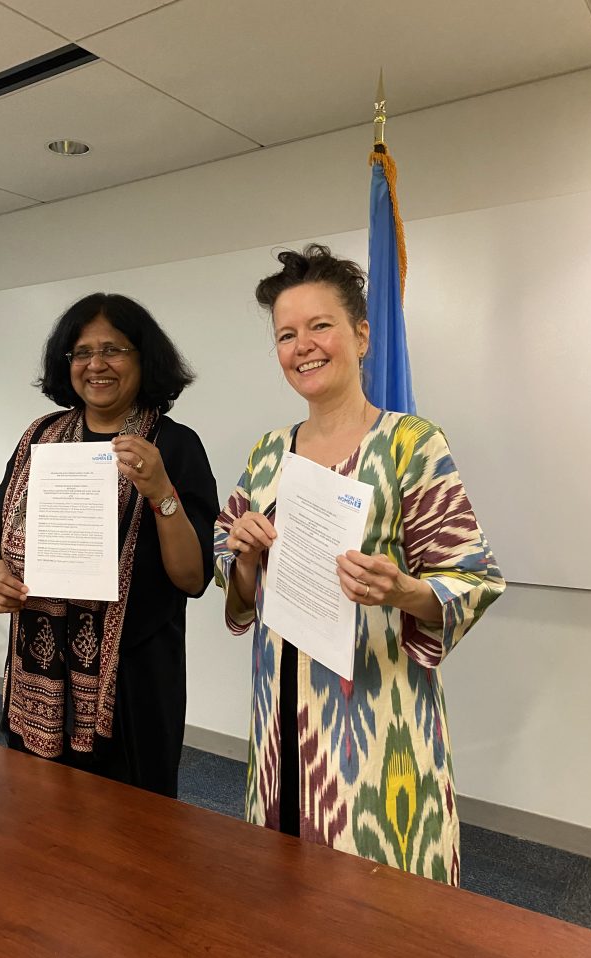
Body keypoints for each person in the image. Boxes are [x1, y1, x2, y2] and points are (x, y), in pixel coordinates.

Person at [214, 245, 505, 883]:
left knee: (378, 909)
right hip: (281, 709)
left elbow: (472, 578)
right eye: (286, 335)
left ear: (362, 334)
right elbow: (232, 580)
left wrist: (403, 590)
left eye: (321, 326)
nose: (303, 346)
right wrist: (243, 554)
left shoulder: (410, 445)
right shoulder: (269, 453)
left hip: (378, 718)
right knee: (284, 895)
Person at [0, 293, 219, 797]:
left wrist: (161, 492)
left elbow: (192, 578)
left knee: (134, 837)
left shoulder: (174, 446)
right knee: (40, 820)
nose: (96, 365)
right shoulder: (40, 438)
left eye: (113, 349)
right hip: (39, 670)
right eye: (81, 352)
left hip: (132, 684)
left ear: (142, 357)